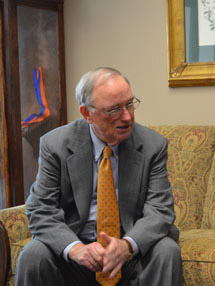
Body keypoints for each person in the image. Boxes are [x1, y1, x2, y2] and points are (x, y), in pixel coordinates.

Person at [15, 67, 182, 286]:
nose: (127, 116)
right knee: (33, 255)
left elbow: (160, 211)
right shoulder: (55, 145)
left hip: (129, 250)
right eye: (113, 110)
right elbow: (40, 209)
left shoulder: (152, 146)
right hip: (76, 249)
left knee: (166, 251)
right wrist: (75, 249)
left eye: (129, 104)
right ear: (87, 114)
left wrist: (127, 245)